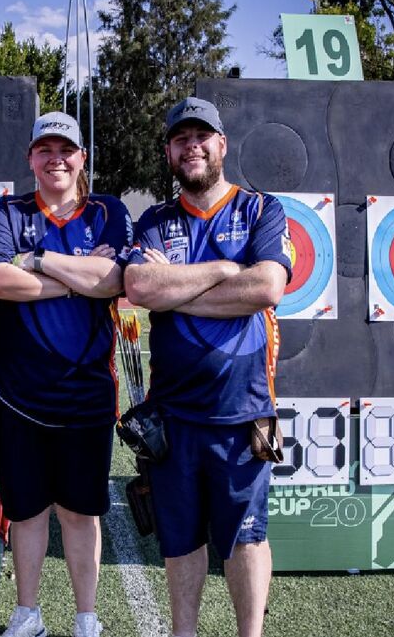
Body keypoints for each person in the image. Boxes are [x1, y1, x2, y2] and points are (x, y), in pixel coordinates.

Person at [122, 96, 291, 637]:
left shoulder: (261, 209)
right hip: (173, 415)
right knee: (180, 541)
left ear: (221, 144)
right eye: (180, 139)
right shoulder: (155, 219)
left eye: (201, 138)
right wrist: (223, 270)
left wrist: (177, 290)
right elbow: (140, 287)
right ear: (169, 152)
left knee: (247, 538)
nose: (191, 147)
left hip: (243, 411)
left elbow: (266, 286)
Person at [0, 111, 130, 637]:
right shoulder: (8, 210)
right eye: (45, 149)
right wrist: (80, 279)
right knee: (27, 512)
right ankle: (28, 614)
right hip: (17, 392)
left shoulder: (107, 210)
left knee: (81, 513)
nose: (55, 159)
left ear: (82, 158)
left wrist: (37, 260)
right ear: (30, 158)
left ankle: (87, 618)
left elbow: (115, 280)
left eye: (66, 150)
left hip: (86, 394)